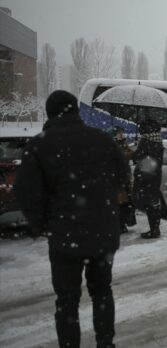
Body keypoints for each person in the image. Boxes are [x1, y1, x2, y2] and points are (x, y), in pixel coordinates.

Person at [14, 90, 130, 348]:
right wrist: (106, 205)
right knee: (102, 292)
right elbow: (123, 178)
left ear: (50, 113)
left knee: (67, 300)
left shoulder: (40, 144)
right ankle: (105, 343)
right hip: (103, 234)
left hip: (64, 237)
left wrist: (41, 223)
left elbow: (25, 191)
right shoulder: (103, 140)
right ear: (76, 110)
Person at [132, 118, 164, 239]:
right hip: (155, 176)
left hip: (145, 177)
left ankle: (154, 230)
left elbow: (137, 158)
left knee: (147, 203)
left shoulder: (146, 142)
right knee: (154, 203)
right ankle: (155, 228)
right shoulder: (158, 141)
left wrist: (137, 148)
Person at [108, 126, 134, 234]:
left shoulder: (122, 144)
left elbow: (128, 154)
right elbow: (122, 157)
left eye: (122, 132)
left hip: (124, 178)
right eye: (119, 133)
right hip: (117, 179)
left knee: (125, 203)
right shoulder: (112, 146)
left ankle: (123, 223)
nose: (122, 135)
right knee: (120, 203)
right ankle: (119, 225)